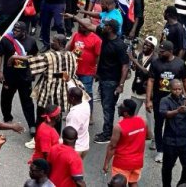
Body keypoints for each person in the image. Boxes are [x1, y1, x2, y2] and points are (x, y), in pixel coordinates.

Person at [67, 14, 129, 145]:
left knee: (108, 107)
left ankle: (107, 134)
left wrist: (121, 85)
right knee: (105, 105)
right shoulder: (105, 35)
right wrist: (73, 16)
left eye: (105, 25)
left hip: (112, 81)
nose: (102, 27)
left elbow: (125, 66)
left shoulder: (119, 45)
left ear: (110, 29)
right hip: (103, 78)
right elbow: (89, 25)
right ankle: (107, 131)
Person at [147, 40, 186, 162]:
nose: (160, 53)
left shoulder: (180, 64)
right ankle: (160, 150)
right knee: (158, 125)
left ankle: (173, 148)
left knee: (174, 125)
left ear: (170, 51)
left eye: (162, 52)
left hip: (175, 101)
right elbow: (151, 81)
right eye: (159, 51)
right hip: (159, 100)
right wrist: (148, 100)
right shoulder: (155, 63)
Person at [0, 22, 38, 134]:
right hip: (10, 76)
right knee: (6, 99)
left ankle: (32, 125)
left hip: (25, 77)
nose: (14, 32)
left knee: (27, 102)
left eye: (17, 31)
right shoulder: (6, 40)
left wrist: (34, 71)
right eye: (14, 30)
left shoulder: (31, 41)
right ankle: (7, 118)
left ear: (24, 32)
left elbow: (34, 56)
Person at [160, 79, 186, 187]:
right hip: (170, 140)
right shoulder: (165, 100)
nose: (177, 91)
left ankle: (181, 185)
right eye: (175, 89)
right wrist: (177, 111)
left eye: (179, 89)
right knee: (167, 167)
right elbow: (163, 113)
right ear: (170, 89)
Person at [102, 99, 146, 187]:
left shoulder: (119, 127)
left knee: (119, 184)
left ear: (125, 113)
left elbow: (112, 147)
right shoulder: (142, 121)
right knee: (133, 182)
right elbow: (147, 136)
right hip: (137, 162)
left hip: (122, 163)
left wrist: (106, 163)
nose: (119, 108)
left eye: (121, 107)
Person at [128, 36, 158, 148]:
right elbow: (137, 69)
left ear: (153, 48)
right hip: (137, 89)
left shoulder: (155, 59)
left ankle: (154, 139)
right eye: (144, 44)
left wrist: (133, 60)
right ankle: (130, 136)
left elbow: (146, 72)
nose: (144, 46)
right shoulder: (141, 54)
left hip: (147, 93)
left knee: (151, 118)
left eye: (148, 45)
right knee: (131, 114)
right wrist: (133, 64)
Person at [66, 21, 101, 115]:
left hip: (87, 72)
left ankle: (89, 115)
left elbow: (98, 56)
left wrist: (96, 70)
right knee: (73, 92)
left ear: (88, 27)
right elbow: (69, 49)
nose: (80, 27)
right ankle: (73, 112)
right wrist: (72, 38)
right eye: (79, 25)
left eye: (82, 25)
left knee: (86, 94)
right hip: (74, 70)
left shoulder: (96, 39)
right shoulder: (76, 35)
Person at [65, 87, 91, 157]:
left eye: (68, 96)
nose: (67, 98)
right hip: (85, 145)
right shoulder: (86, 104)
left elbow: (70, 135)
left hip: (76, 149)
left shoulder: (74, 115)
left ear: (72, 98)